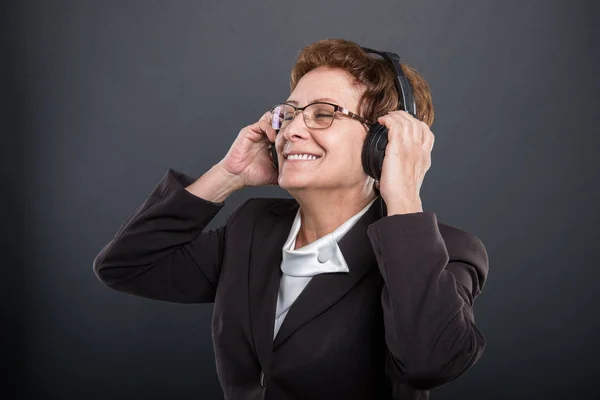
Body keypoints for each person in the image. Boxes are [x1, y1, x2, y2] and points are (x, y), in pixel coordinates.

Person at [93, 38, 489, 400]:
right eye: (290, 113)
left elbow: (431, 362)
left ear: (381, 143)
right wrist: (229, 174)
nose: (292, 130)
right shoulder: (252, 228)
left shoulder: (446, 252)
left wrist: (403, 194)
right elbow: (126, 265)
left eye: (323, 114)